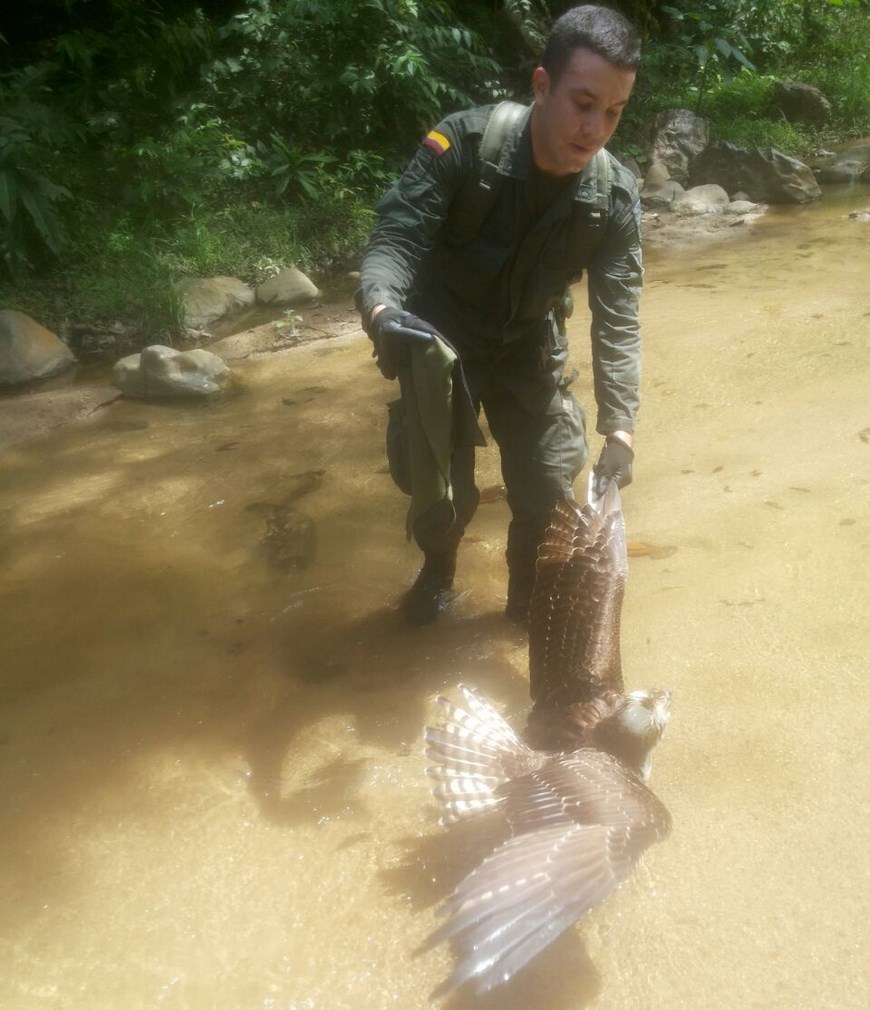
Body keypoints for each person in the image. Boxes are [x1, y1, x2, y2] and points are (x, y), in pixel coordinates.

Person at [356, 4, 642, 626]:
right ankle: (438, 570)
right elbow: (395, 240)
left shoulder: (613, 194)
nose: (596, 128)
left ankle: (525, 606)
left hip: (528, 346)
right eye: (583, 102)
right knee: (442, 500)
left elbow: (617, 313)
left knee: (547, 488)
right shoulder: (462, 144)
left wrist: (620, 428)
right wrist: (381, 308)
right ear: (542, 86)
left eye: (614, 112)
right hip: (440, 345)